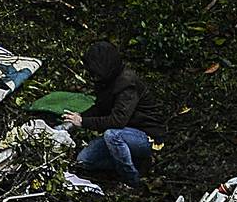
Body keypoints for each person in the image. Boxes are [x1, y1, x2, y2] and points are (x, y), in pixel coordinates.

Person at [63, 41, 167, 187]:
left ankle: (132, 179)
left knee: (112, 135)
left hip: (146, 136)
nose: (94, 76)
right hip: (124, 134)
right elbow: (101, 107)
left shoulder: (127, 84)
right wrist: (79, 116)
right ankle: (136, 162)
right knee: (84, 161)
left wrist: (83, 122)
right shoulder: (106, 81)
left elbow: (117, 121)